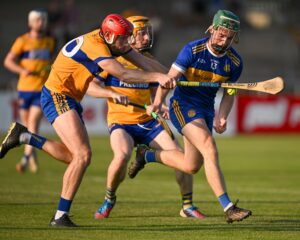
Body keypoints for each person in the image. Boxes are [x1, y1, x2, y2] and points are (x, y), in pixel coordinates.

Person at [0, 13, 176, 227]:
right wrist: (158, 78)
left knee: (73, 157)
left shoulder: (114, 41)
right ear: (110, 36)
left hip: (71, 97)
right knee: (83, 155)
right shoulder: (96, 45)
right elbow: (123, 74)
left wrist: (175, 77)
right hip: (57, 94)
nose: (126, 43)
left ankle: (24, 136)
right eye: (122, 39)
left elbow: (144, 62)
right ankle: (60, 216)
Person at [128, 10, 252, 223]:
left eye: (230, 37)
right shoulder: (193, 50)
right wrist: (157, 103)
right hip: (183, 106)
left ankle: (145, 156)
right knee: (209, 147)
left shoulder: (235, 62)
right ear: (212, 29)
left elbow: (230, 93)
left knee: (191, 165)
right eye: (221, 34)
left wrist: (222, 116)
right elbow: (169, 79)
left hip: (206, 110)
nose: (225, 40)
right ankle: (228, 207)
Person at [87, 16, 205, 219]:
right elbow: (90, 87)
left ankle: (187, 205)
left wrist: (161, 106)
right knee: (122, 155)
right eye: (140, 32)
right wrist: (112, 94)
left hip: (148, 122)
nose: (145, 36)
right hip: (121, 122)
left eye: (146, 31)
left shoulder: (149, 62)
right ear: (128, 37)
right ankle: (109, 199)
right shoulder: (111, 60)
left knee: (182, 158)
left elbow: (155, 91)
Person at [3, 9, 55, 173]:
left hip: (41, 89)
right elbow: (8, 61)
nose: (42, 22)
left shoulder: (50, 41)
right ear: (30, 23)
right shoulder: (22, 41)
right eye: (38, 20)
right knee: (27, 126)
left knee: (33, 122)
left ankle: (25, 160)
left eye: (43, 20)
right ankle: (32, 154)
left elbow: (52, 61)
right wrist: (21, 70)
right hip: (25, 89)